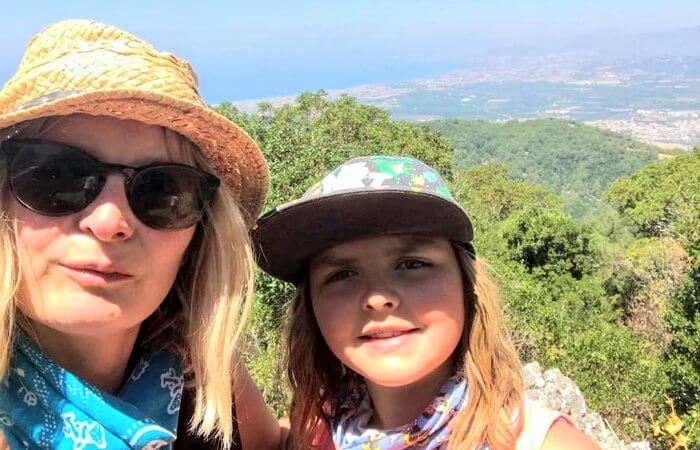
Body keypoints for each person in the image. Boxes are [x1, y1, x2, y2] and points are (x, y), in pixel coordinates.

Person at [0, 20, 279, 449]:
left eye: (163, 191)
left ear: (197, 236)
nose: (111, 222)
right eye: (56, 178)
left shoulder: (208, 386)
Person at [254, 156, 600, 449]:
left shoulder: (540, 441)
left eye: (412, 264)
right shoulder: (312, 432)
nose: (378, 298)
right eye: (342, 275)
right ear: (311, 307)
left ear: (467, 283)